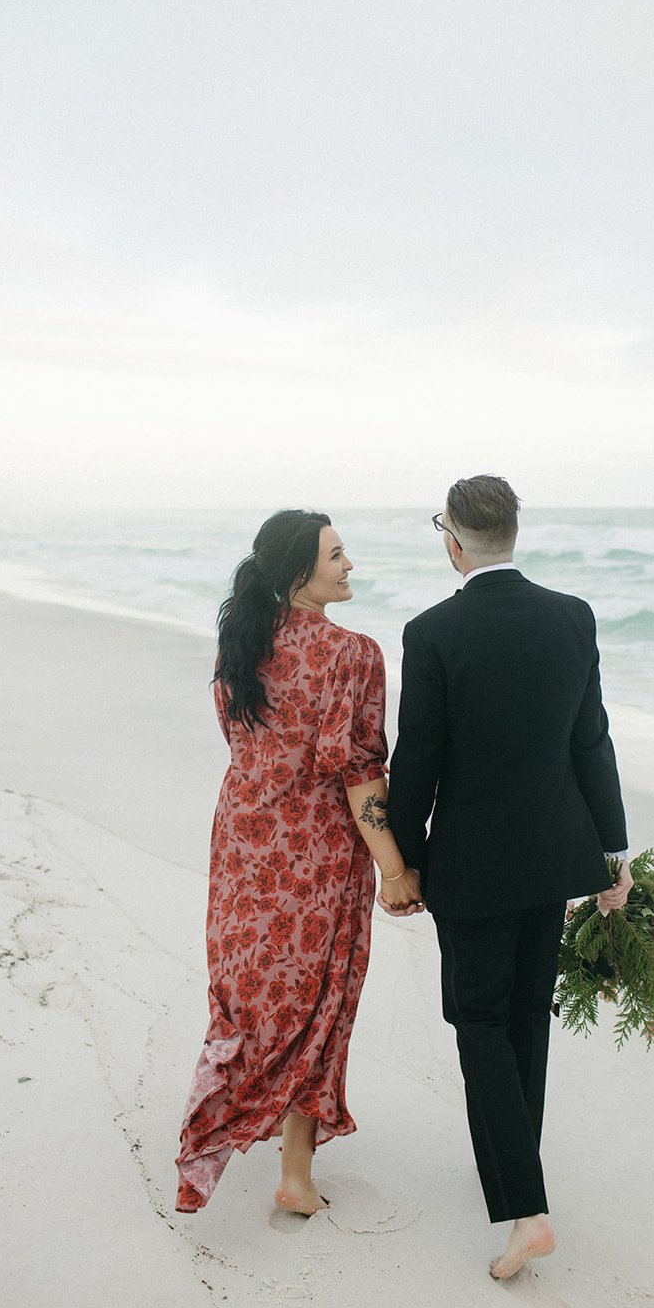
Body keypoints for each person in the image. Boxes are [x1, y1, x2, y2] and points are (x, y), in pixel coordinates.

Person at [386, 475, 632, 1279]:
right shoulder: (573, 616)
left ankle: (526, 1208)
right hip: (556, 854)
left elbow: (416, 759)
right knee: (528, 1011)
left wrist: (406, 862)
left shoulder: (432, 632)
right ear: (511, 535)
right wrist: (613, 854)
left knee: (480, 1019)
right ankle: (510, 1155)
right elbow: (590, 740)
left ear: (452, 541)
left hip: (472, 865)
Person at [175, 509, 422, 1217]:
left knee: (248, 997)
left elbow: (239, 740)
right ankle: (286, 1169)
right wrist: (396, 869)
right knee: (319, 1002)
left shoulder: (238, 646)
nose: (350, 566)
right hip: (317, 855)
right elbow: (359, 774)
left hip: (245, 842)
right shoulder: (353, 654)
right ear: (297, 572)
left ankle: (264, 1149)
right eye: (337, 555)